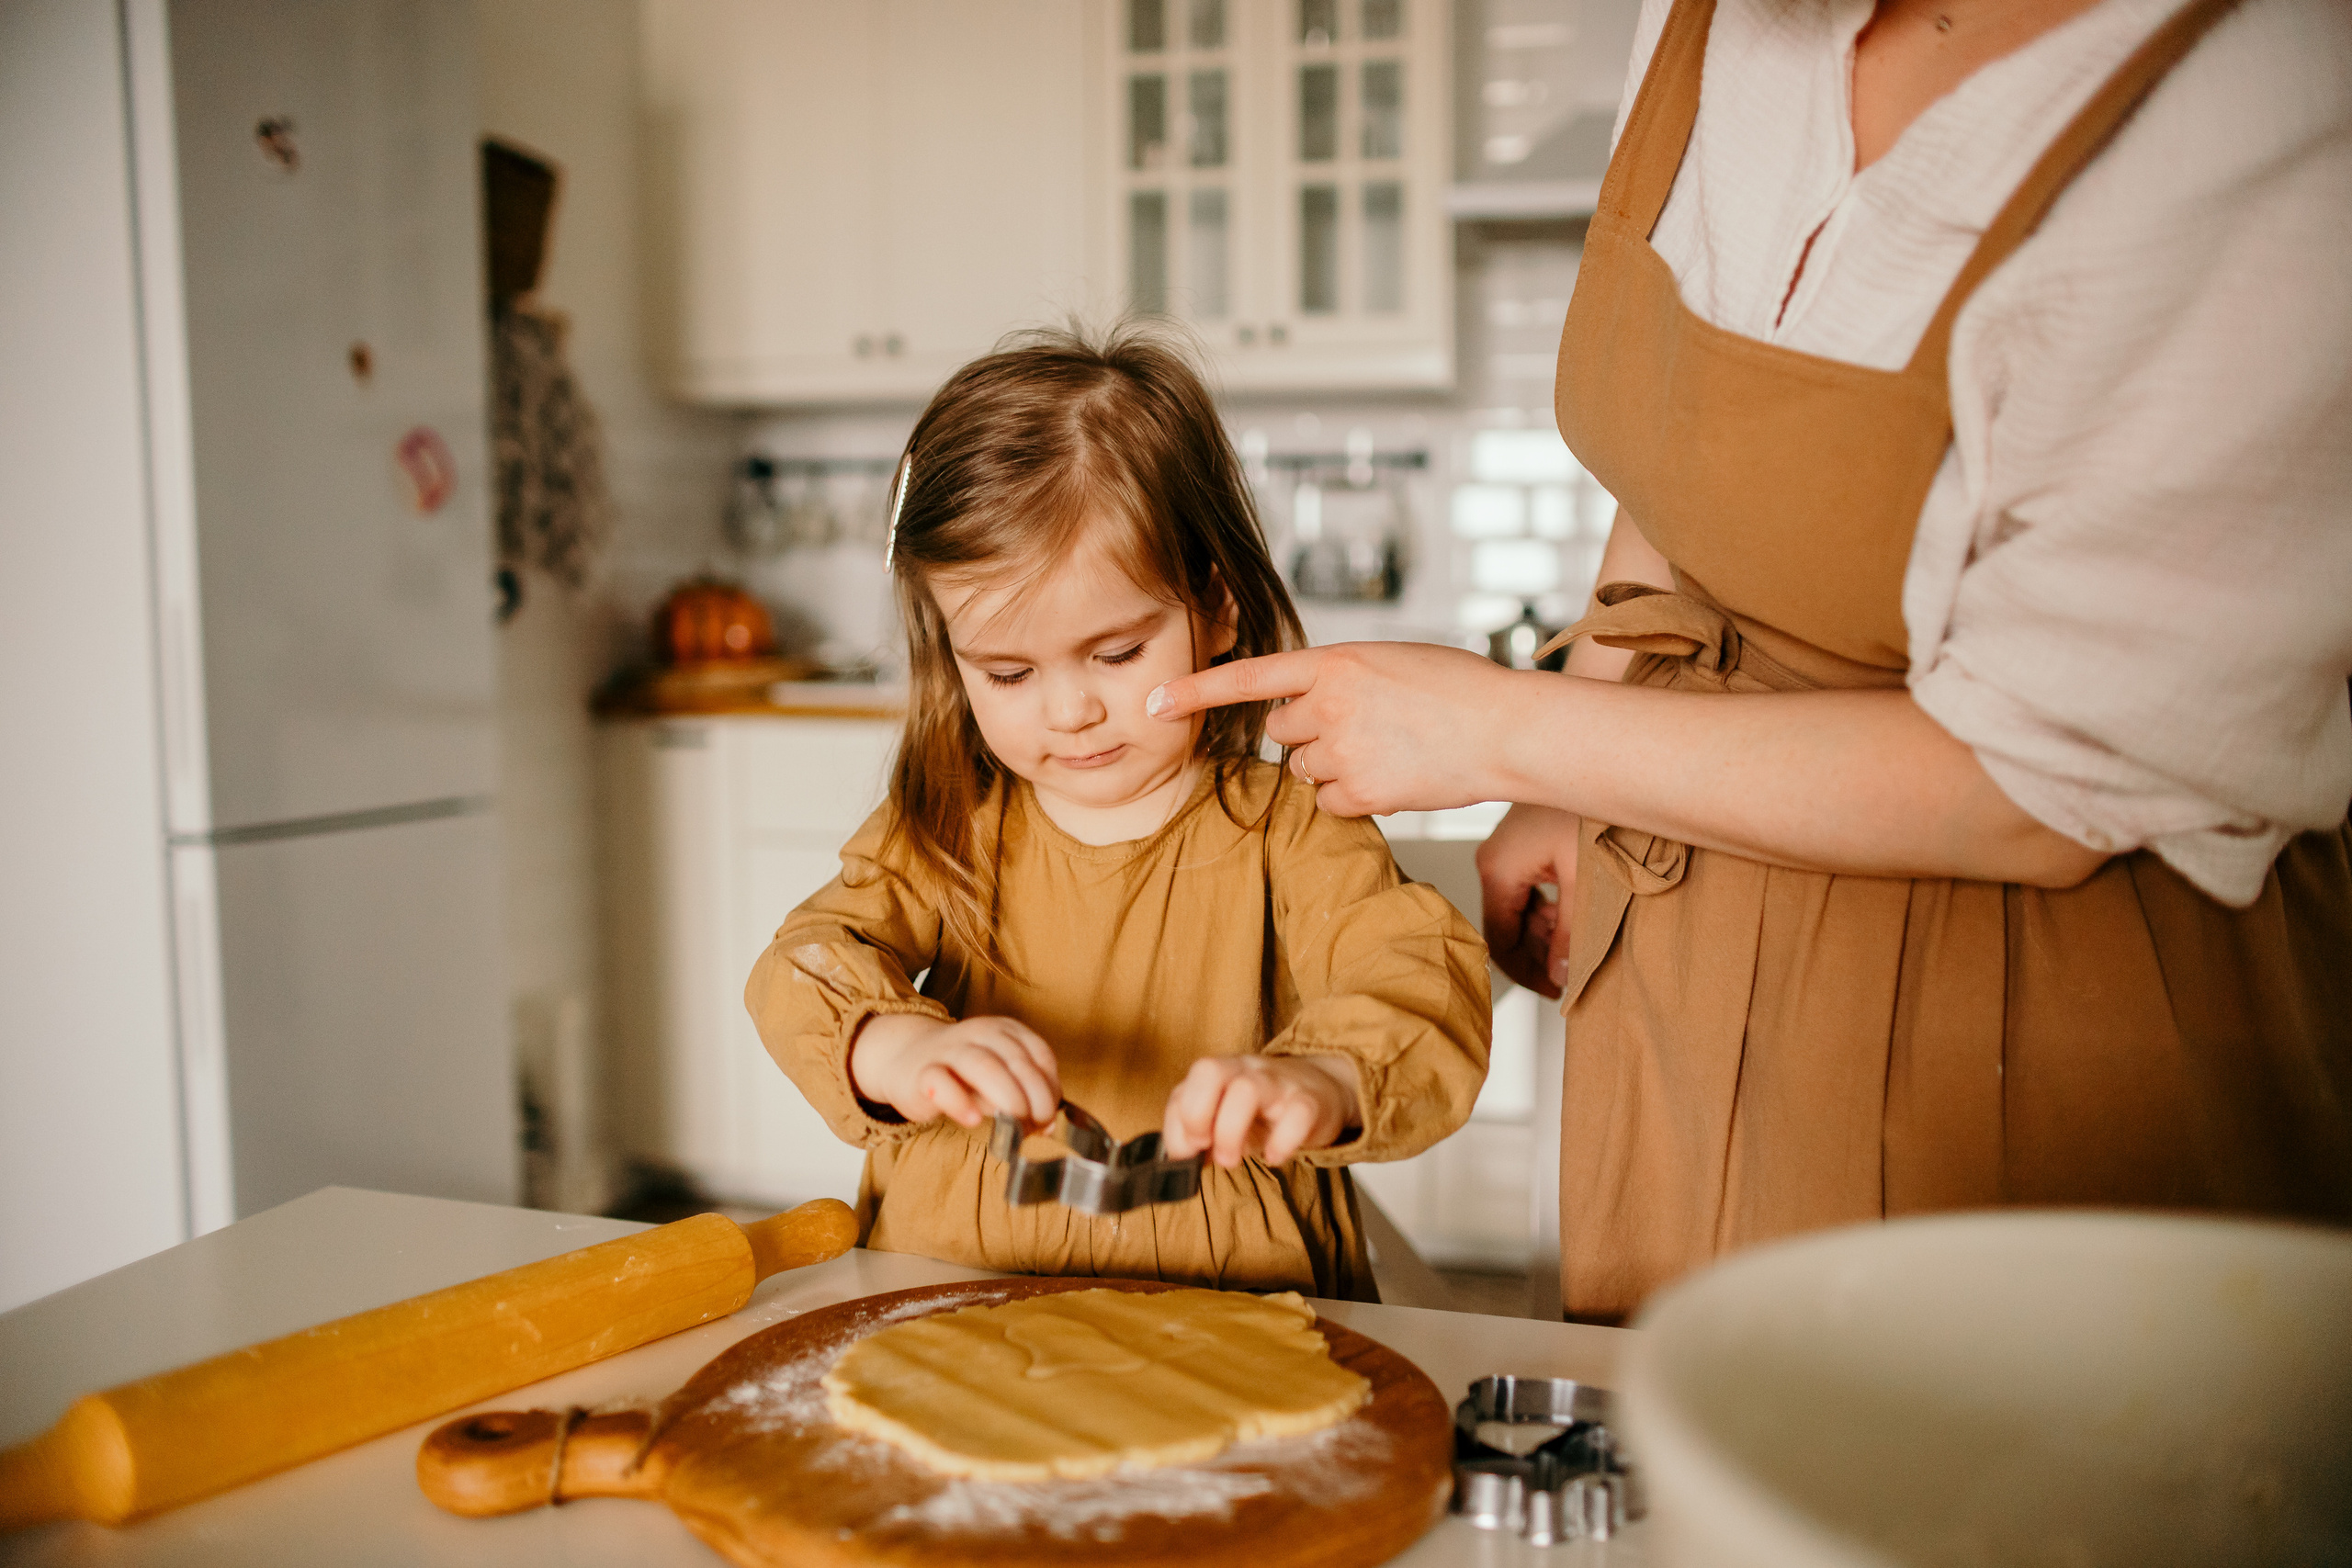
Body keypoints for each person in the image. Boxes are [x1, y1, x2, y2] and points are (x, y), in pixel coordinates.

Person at [1148, 0, 2352, 1321]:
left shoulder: (2275, 93)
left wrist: (1512, 733)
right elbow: (1684, 470)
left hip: (2031, 1024)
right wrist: (1575, 758)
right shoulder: (1711, 22)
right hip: (1679, 965)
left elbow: (2036, 787)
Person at [744, 328, 1491, 1302]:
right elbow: (802, 966)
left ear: (1213, 608)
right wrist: (898, 1045)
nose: (1070, 710)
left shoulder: (1293, 827)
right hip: (949, 1282)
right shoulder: (947, 819)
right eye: (1008, 672)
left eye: (1115, 654)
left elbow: (1417, 989)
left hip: (1232, 1300)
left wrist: (1318, 1081)